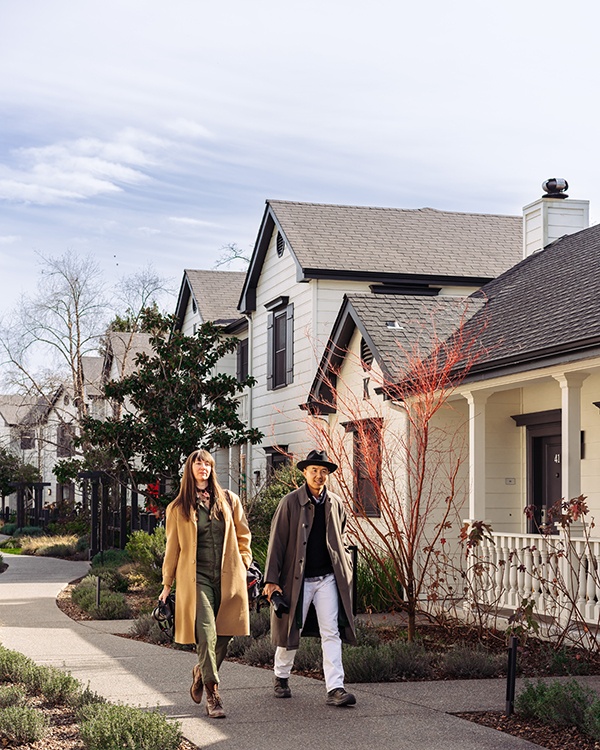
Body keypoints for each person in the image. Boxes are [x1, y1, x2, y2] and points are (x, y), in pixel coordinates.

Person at [159, 449, 252, 719]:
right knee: (206, 632)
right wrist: (167, 585)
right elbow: (172, 548)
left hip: (228, 575)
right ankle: (213, 693)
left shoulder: (229, 500)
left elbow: (243, 534)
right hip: (196, 578)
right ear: (190, 469)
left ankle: (200, 673)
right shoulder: (178, 507)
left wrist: (244, 563)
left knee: (226, 632)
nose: (204, 467)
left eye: (208, 463)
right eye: (198, 463)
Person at [263, 449, 357, 707]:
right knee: (291, 628)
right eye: (314, 470)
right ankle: (281, 677)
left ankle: (335, 688)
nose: (319, 475)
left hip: (327, 578)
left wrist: (346, 565)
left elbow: (343, 537)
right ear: (304, 473)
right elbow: (277, 543)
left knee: (331, 631)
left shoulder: (335, 503)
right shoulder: (290, 502)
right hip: (298, 580)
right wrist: (272, 582)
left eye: (323, 471)